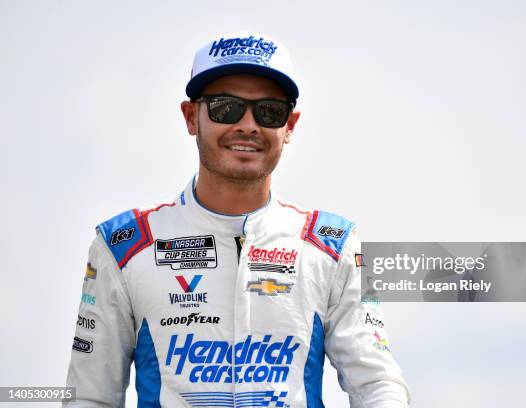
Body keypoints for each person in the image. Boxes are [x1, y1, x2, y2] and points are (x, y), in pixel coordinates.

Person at [65, 31, 411, 408]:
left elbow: (377, 383)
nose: (248, 125)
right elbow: (89, 396)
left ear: (290, 125)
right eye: (225, 108)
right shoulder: (125, 245)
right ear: (190, 116)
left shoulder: (335, 245)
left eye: (269, 111)